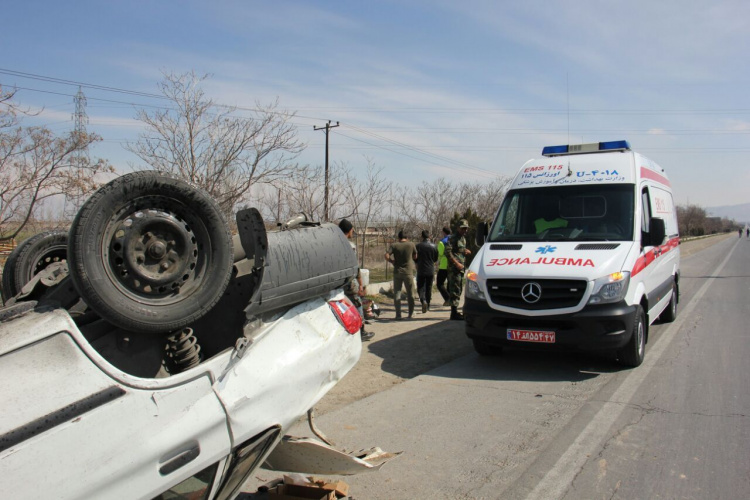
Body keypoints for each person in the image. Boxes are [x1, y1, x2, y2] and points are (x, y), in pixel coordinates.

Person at [339, 219, 374, 341]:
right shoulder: (350, 246)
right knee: (357, 304)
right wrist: (360, 284)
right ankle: (361, 330)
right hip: (349, 281)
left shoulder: (332, 244)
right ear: (349, 230)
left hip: (337, 282)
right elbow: (355, 267)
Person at [384, 229, 417, 320]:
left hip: (397, 271)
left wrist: (392, 261)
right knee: (410, 293)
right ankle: (411, 313)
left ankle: (398, 314)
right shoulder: (411, 245)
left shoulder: (394, 245)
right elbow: (415, 256)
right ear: (407, 237)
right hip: (408, 272)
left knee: (397, 293)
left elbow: (386, 255)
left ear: (399, 237)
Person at [445, 219, 471, 320]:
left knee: (459, 289)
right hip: (454, 269)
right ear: (458, 228)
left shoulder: (462, 238)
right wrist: (456, 263)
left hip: (461, 268)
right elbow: (448, 252)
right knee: (455, 289)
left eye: (466, 229)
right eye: (463, 228)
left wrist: (465, 251)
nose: (465, 230)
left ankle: (455, 311)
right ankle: (453, 313)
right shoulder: (453, 238)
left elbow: (458, 250)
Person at [415, 230, 438, 313]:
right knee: (429, 287)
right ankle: (428, 304)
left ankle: (423, 300)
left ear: (422, 237)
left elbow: (415, 257)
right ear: (429, 237)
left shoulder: (418, 246)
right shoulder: (434, 246)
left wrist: (417, 263)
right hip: (430, 269)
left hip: (421, 269)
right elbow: (435, 258)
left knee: (420, 287)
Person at [436, 226, 451, 306]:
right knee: (449, 282)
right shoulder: (454, 240)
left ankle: (447, 298)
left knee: (439, 283)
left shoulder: (442, 242)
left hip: (444, 265)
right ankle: (450, 299)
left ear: (443, 232)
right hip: (453, 265)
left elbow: (440, 253)